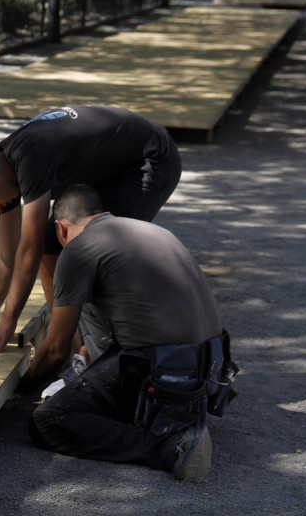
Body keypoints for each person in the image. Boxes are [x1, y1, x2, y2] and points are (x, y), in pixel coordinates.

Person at [16, 184, 235, 480]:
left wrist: (21, 387)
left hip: (164, 370)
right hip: (210, 371)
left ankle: (170, 445)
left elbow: (56, 349)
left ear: (61, 228)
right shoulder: (151, 231)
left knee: (49, 419)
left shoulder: (79, 250)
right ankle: (173, 417)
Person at [0, 105, 181, 355]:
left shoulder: (30, 156)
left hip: (149, 159)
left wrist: (8, 323)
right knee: (52, 242)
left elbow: (29, 249)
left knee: (95, 251)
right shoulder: (4, 170)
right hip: (110, 165)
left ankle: (99, 354)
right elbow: (6, 255)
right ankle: (69, 347)